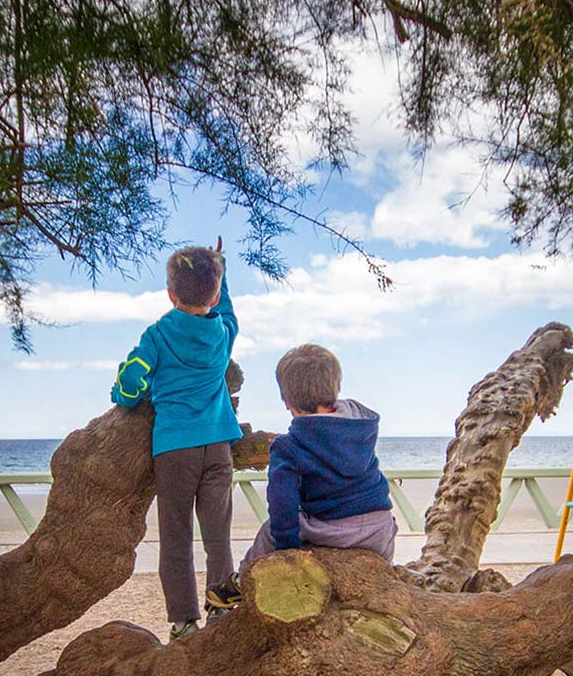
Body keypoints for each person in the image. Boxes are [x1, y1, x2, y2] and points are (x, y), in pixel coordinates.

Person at [111, 239, 241, 641]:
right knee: (218, 533)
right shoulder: (222, 333)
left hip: (174, 450)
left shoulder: (158, 334)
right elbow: (226, 308)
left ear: (170, 293)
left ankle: (184, 621)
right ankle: (222, 608)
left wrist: (126, 396)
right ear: (216, 293)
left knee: (176, 536)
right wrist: (220, 266)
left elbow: (132, 377)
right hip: (218, 446)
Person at [241, 343, 397, 569]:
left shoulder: (288, 446)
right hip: (380, 529)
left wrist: (288, 550)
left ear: (287, 401)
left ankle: (241, 581)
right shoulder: (360, 425)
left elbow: (281, 505)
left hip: (337, 530)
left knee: (268, 531)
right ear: (336, 387)